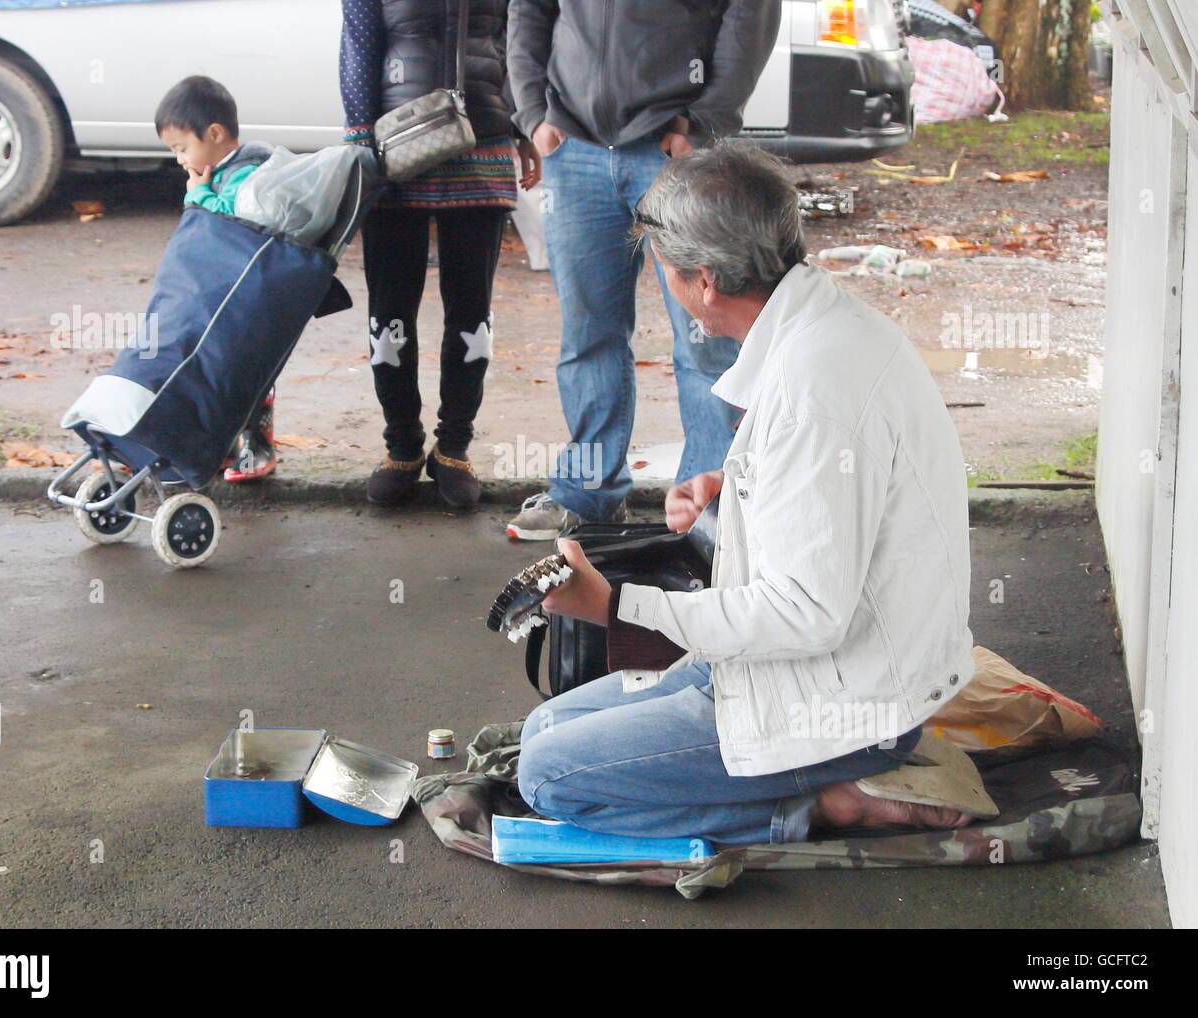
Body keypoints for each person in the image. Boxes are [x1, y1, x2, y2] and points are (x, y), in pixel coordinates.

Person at [516, 145, 989, 845]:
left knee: (548, 774)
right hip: (826, 671)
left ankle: (825, 803)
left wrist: (615, 606)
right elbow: (825, 496)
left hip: (841, 707)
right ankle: (816, 784)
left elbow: (806, 613)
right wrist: (733, 490)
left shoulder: (810, 389)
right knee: (544, 725)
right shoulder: (825, 326)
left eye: (665, 271)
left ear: (704, 282)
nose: (663, 285)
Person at [503, 0, 782, 539]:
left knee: (706, 336)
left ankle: (709, 507)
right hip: (574, 146)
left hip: (673, 148)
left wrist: (704, 122)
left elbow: (750, 13)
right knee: (588, 335)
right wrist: (534, 114)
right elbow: (529, 11)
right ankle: (587, 495)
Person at [340, 0, 540, 511]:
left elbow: (514, 41)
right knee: (389, 311)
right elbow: (359, 43)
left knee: (472, 310)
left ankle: (453, 448)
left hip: (485, 139)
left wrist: (523, 126)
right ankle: (402, 447)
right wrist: (361, 136)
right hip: (396, 144)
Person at [155, 75, 278, 482]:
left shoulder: (249, 171)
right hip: (223, 292)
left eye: (182, 148)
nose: (179, 159)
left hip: (246, 297)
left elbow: (230, 220)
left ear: (215, 133)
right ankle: (216, 446)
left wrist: (198, 194)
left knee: (246, 376)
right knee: (212, 372)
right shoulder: (221, 171)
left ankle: (258, 449)